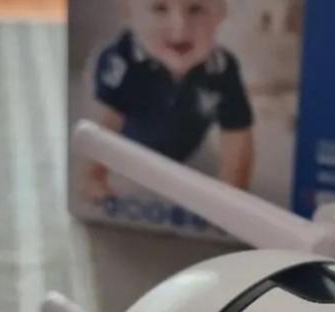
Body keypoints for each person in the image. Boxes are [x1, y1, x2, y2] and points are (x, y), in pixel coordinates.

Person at [82, 0, 255, 202]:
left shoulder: (222, 68)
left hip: (189, 155)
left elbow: (237, 136)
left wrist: (231, 196)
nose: (180, 28)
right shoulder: (123, 60)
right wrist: (93, 177)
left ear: (221, 12)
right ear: (128, 11)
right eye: (159, 8)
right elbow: (101, 127)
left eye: (196, 9)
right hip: (127, 158)